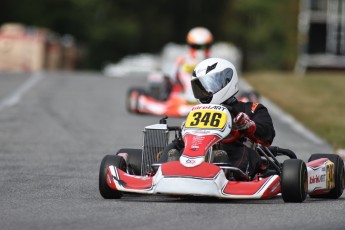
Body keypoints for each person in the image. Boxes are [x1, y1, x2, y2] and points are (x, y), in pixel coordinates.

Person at [159, 57, 275, 180]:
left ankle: (226, 173)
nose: (204, 92)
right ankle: (163, 171)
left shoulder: (251, 108)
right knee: (176, 148)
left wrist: (248, 126)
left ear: (226, 81)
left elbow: (268, 135)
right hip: (196, 152)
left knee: (243, 153)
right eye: (201, 87)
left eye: (209, 85)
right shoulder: (198, 111)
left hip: (234, 152)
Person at [167, 27, 214, 102]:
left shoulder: (213, 62)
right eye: (196, 46)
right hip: (183, 98)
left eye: (204, 47)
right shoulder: (182, 61)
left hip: (209, 99)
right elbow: (172, 80)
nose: (200, 50)